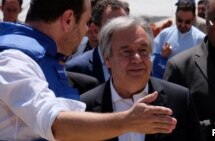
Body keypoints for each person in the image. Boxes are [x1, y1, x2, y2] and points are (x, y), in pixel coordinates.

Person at [0, 0, 179, 140]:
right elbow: (55, 124)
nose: (87, 31)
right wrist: (128, 121)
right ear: (68, 19)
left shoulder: (45, 58)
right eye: (86, 22)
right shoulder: (15, 62)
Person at [81, 16, 201, 141]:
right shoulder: (84, 108)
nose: (137, 59)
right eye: (126, 52)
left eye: (143, 50)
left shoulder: (179, 100)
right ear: (107, 59)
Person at [65, 0, 128, 84]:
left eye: (126, 25)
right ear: (95, 30)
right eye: (112, 26)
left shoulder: (139, 63)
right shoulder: (75, 68)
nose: (122, 30)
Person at [151, 0, 205, 79]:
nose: (183, 25)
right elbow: (151, 59)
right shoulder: (165, 34)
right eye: (179, 20)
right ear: (175, 16)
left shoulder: (201, 39)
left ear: (193, 19)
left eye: (187, 22)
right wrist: (162, 56)